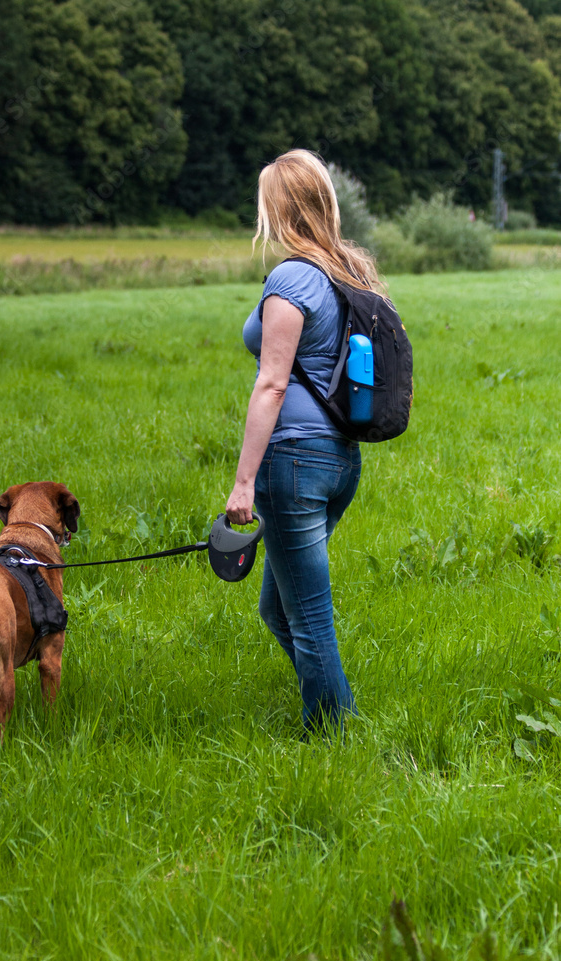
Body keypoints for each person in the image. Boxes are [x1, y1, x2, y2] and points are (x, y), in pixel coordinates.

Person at [226, 148, 383, 739]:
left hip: (294, 462)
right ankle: (337, 709)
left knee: (308, 613)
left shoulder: (293, 277)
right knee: (278, 608)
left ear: (279, 208)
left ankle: (335, 733)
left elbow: (271, 382)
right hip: (340, 458)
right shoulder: (350, 272)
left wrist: (243, 482)